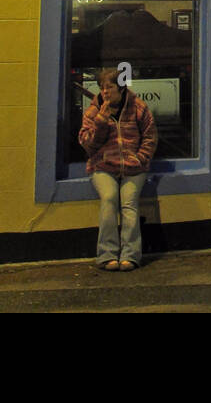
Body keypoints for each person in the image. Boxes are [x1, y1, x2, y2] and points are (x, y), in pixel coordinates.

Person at [78, 67, 157, 271]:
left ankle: (131, 255)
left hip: (134, 166)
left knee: (129, 203)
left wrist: (140, 158)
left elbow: (150, 136)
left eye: (110, 87)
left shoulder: (138, 107)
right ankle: (107, 255)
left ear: (121, 88)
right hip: (103, 166)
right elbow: (87, 144)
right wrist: (101, 121)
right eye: (102, 88)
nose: (105, 92)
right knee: (109, 198)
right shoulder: (94, 111)